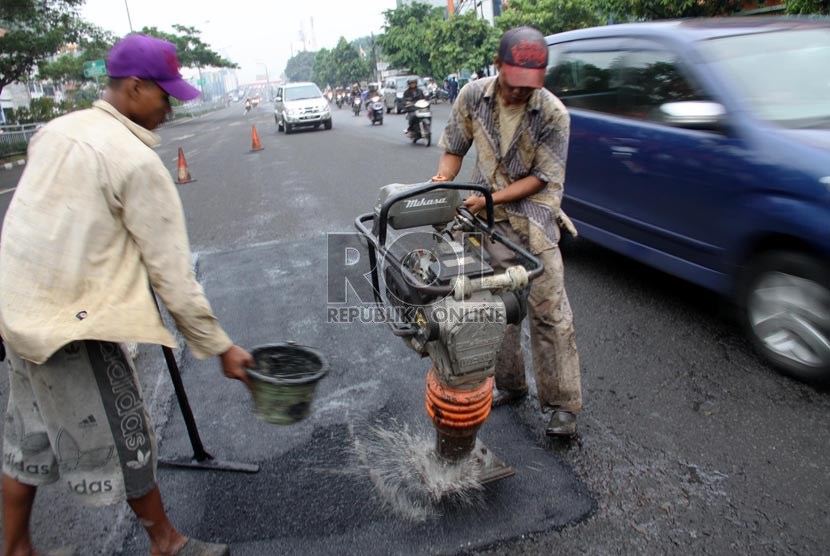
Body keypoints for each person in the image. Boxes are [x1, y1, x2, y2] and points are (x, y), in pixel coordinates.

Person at [0, 34, 252, 556]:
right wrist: (221, 347)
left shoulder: (56, 131)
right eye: (165, 96)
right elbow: (173, 276)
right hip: (73, 322)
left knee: (28, 436)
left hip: (17, 311)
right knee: (127, 432)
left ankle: (16, 545)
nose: (169, 107)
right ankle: (167, 541)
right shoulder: (135, 163)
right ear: (135, 87)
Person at [432, 27, 582, 438]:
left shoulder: (552, 114)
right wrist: (443, 178)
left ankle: (562, 405)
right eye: (513, 85)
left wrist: (489, 199)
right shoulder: (472, 97)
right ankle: (511, 385)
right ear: (497, 67)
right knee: (495, 309)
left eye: (529, 88)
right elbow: (454, 148)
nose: (519, 95)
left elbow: (541, 178)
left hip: (533, 221)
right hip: (486, 225)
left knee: (549, 313)